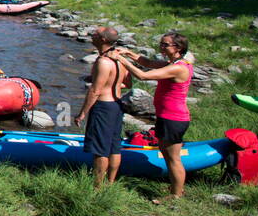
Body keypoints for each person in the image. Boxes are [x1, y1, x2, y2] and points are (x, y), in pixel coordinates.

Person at [117, 32, 193, 200]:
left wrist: (122, 61)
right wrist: (129, 53)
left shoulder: (178, 68)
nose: (161, 47)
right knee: (167, 154)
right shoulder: (173, 63)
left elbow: (143, 75)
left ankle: (176, 195)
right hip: (167, 116)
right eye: (161, 44)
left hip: (173, 118)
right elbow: (149, 63)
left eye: (165, 45)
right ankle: (176, 188)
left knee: (173, 158)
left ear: (178, 48)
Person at [75, 26, 125, 189]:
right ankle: (110, 183)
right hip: (117, 105)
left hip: (104, 107)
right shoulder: (119, 58)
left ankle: (97, 187)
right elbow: (127, 83)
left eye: (95, 34)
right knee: (114, 147)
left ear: (103, 39)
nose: (91, 35)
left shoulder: (103, 61)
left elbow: (95, 90)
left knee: (100, 149)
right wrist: (112, 84)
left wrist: (82, 113)